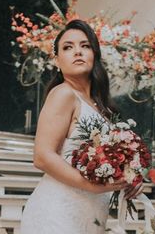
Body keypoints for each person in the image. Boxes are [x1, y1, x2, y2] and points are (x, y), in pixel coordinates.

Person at [20, 19, 144, 233]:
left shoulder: (102, 106)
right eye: (68, 47)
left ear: (94, 55)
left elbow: (104, 160)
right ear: (57, 60)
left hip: (90, 216)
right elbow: (42, 156)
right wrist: (92, 186)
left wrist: (128, 176)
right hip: (57, 213)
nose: (77, 51)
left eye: (85, 46)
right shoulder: (63, 94)